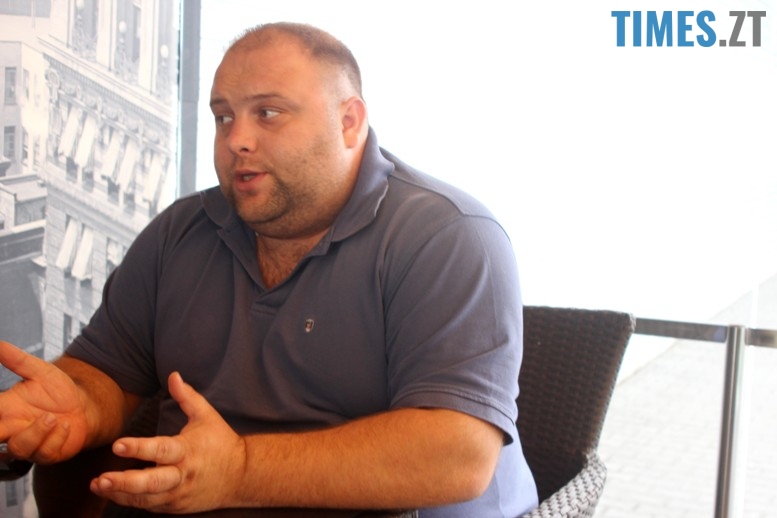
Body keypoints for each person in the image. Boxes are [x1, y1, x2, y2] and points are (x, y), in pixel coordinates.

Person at [0, 22, 538, 517]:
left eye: (269, 113)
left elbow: (457, 455)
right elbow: (109, 372)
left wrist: (239, 471)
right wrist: (79, 405)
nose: (237, 138)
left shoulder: (447, 236)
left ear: (349, 122)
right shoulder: (180, 232)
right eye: (223, 116)